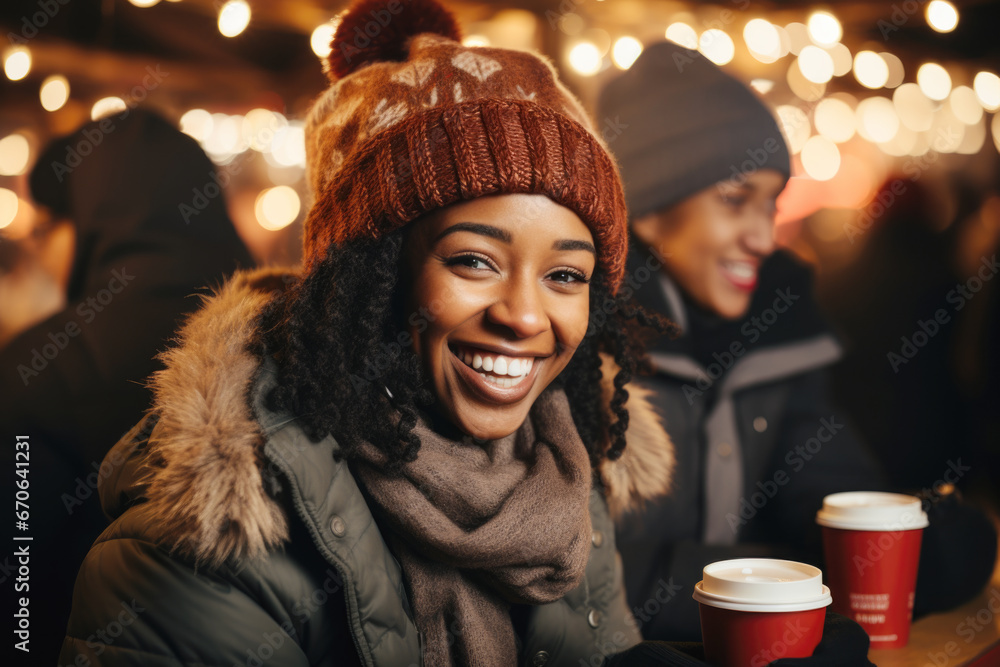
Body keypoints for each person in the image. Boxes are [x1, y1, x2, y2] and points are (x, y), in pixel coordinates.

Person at [56, 1, 685, 665]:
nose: (526, 316)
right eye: (474, 260)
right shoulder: (199, 553)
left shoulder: (566, 473)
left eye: (565, 274)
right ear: (368, 278)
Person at [597, 40, 996, 643]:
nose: (764, 236)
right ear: (649, 210)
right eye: (735, 201)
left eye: (772, 204)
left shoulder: (780, 338)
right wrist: (785, 581)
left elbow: (822, 489)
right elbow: (578, 576)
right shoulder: (572, 345)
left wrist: (913, 542)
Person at [0, 108, 253, 666]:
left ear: (91, 220)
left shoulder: (39, 368)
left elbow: (17, 581)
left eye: (46, 228)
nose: (40, 251)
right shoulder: (286, 331)